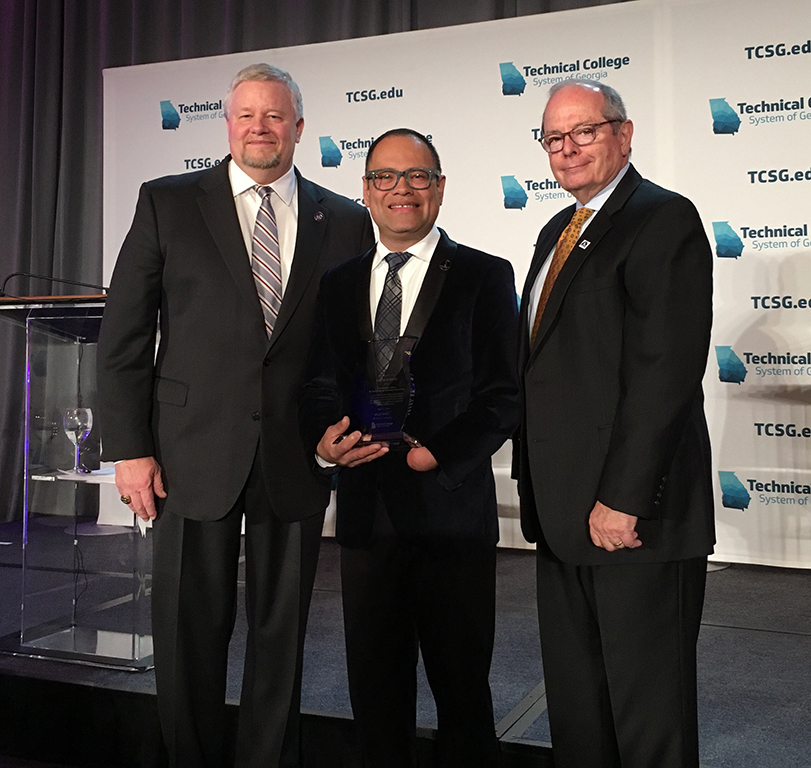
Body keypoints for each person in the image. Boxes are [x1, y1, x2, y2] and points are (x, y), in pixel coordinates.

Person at [96, 63, 373, 768]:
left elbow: (353, 345)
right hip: (189, 453)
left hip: (297, 454)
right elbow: (126, 334)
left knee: (281, 638)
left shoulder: (342, 218)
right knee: (189, 630)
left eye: (275, 116)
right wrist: (130, 448)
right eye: (247, 115)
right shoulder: (168, 202)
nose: (260, 127)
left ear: (299, 129)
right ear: (227, 124)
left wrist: (347, 432)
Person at [299, 128, 520, 768]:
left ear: (441, 189)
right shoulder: (337, 283)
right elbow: (317, 382)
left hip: (450, 513)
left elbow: (503, 394)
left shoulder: (485, 275)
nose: (403, 189)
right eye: (386, 178)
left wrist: (439, 454)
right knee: (374, 687)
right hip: (367, 512)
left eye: (418, 176)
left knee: (462, 689)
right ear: (365, 191)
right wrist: (324, 439)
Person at [514, 79, 715, 768]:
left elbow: (665, 370)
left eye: (584, 132)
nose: (566, 149)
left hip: (633, 519)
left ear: (623, 135)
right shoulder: (556, 229)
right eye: (553, 137)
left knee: (646, 715)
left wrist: (624, 497)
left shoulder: (662, 219)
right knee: (580, 713)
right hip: (562, 515)